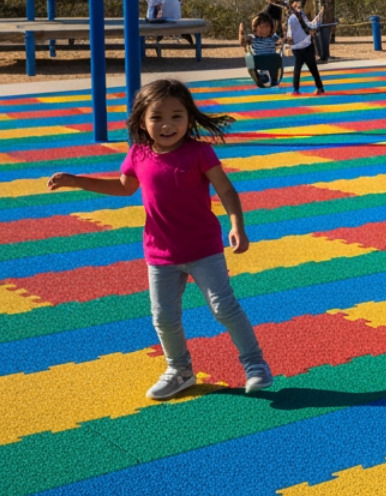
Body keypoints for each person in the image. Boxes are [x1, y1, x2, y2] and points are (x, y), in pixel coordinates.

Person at [46, 79, 271, 400]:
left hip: (203, 249)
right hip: (160, 253)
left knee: (223, 308)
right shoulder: (138, 154)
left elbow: (226, 190)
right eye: (157, 117)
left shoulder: (199, 152)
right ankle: (179, 370)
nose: (167, 125)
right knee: (164, 317)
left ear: (189, 120)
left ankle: (255, 364)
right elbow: (123, 187)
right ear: (142, 121)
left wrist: (237, 225)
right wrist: (76, 180)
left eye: (177, 116)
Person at [286, 0, 325, 96]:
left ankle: (320, 88)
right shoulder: (290, 17)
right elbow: (290, 30)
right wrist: (289, 39)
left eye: (300, 3)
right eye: (296, 1)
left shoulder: (301, 14)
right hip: (297, 48)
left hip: (307, 46)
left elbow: (310, 24)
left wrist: (319, 16)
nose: (298, 4)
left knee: (313, 68)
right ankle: (295, 90)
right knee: (297, 69)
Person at [239, 13, 284, 87]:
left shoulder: (273, 37)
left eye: (267, 26)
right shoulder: (253, 38)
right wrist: (241, 34)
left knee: (277, 57)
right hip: (259, 65)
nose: (264, 30)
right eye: (261, 27)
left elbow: (282, 39)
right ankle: (261, 77)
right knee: (250, 58)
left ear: (271, 28)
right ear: (255, 28)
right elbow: (243, 43)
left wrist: (283, 39)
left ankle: (274, 79)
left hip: (271, 63)